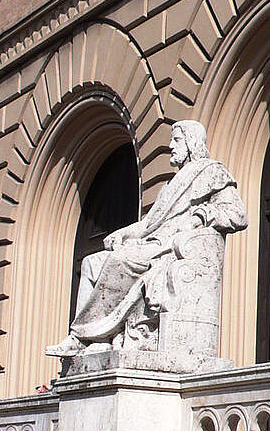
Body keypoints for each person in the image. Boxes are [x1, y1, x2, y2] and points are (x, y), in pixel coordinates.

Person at [46, 120, 248, 356]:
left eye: (177, 140)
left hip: (170, 248)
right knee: (92, 263)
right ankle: (89, 339)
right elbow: (150, 224)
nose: (171, 145)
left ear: (191, 142)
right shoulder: (171, 185)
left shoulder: (212, 172)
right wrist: (123, 232)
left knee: (121, 259)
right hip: (151, 243)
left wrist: (202, 216)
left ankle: (85, 335)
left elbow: (237, 214)